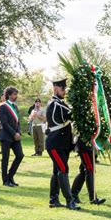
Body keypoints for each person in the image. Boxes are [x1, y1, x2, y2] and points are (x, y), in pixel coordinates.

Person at [45, 79, 80, 210]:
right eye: (62, 89)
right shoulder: (55, 104)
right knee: (63, 169)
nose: (64, 91)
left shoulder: (60, 103)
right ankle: (70, 201)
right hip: (55, 144)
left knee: (57, 171)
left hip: (61, 144)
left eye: (64, 89)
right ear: (55, 89)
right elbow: (72, 115)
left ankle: (53, 200)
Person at [0, 86, 24, 187]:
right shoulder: (3, 106)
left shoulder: (15, 107)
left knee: (20, 155)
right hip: (6, 136)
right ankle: (5, 181)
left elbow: (18, 122)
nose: (16, 96)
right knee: (5, 158)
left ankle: (10, 176)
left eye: (16, 94)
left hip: (15, 137)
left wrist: (18, 132)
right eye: (14, 94)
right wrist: (14, 133)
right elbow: (4, 123)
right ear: (9, 95)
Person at [71, 137, 106, 205]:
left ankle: (73, 195)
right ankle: (92, 198)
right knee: (89, 169)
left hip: (89, 145)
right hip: (84, 146)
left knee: (84, 172)